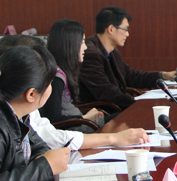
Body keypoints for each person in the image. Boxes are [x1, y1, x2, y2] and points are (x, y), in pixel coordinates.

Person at [0, 35, 150, 152]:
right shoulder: (7, 122)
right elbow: (51, 137)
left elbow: (45, 138)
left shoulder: (26, 113)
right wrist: (111, 138)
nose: (85, 47)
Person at [0, 45, 70, 181]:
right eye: (49, 83)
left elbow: (40, 146)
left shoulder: (19, 116)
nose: (51, 88)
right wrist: (45, 168)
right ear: (31, 94)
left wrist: (43, 161)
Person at [78, 6, 177, 111]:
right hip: (102, 112)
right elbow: (106, 91)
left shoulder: (112, 51)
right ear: (111, 29)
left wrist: (164, 75)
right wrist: (138, 106)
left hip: (115, 107)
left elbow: (130, 76)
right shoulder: (90, 53)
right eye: (125, 29)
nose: (127, 34)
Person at [41, 19, 113, 131]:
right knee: (120, 120)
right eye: (82, 42)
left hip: (79, 123)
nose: (85, 47)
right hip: (75, 129)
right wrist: (85, 117)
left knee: (121, 118)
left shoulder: (61, 71)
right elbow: (54, 119)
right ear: (70, 44)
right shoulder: (56, 78)